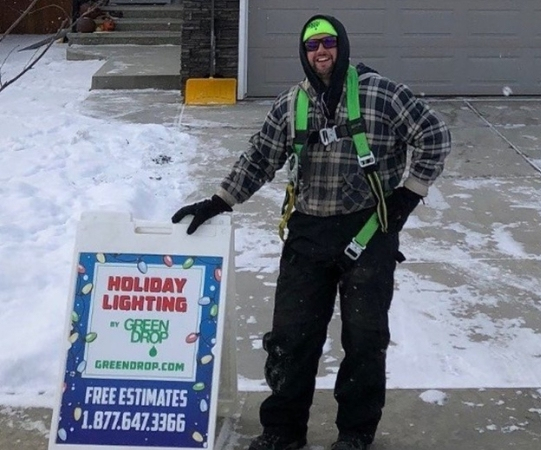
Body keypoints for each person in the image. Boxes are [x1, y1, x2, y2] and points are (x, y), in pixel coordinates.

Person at [171, 14, 451, 450]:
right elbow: (260, 157)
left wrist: (409, 194)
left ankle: (356, 433)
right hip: (308, 233)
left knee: (364, 339)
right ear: (303, 55)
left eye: (328, 43)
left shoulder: (381, 93)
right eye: (311, 47)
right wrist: (219, 200)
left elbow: (434, 134)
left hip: (368, 231)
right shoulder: (291, 104)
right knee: (291, 339)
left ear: (343, 46)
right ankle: (282, 431)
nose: (320, 53)